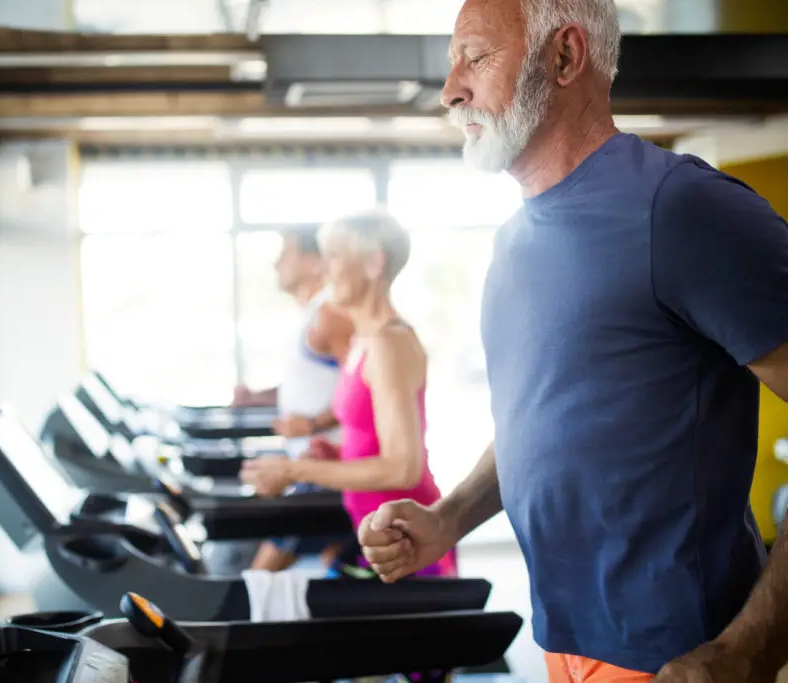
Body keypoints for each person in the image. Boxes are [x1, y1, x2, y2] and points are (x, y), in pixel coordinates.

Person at [356, 0, 788, 681]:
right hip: (560, 645)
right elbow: (544, 422)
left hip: (681, 660)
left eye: (476, 56)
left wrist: (750, 648)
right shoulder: (513, 241)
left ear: (564, 56)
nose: (450, 90)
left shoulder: (682, 210)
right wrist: (448, 519)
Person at [241, 208, 458, 579]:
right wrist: (336, 453)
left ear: (375, 263)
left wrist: (296, 470)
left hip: (407, 541)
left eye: (335, 256)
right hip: (374, 536)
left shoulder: (390, 342)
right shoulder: (364, 340)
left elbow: (403, 467)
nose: (324, 269)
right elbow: (372, 440)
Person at [233, 226, 355, 571]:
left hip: (329, 467)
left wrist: (315, 423)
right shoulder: (310, 315)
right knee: (336, 568)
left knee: (260, 575)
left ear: (314, 263)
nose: (276, 264)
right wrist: (259, 397)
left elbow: (364, 390)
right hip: (310, 463)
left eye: (285, 254)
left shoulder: (330, 315)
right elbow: (311, 385)